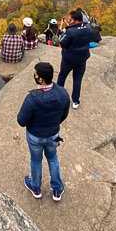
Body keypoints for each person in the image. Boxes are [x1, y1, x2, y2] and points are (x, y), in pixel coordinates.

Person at [18, 62, 70, 202]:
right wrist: (56, 123)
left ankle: (35, 187)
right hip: (53, 134)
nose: (34, 75)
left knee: (36, 160)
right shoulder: (62, 93)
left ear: (40, 79)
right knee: (52, 158)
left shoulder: (32, 99)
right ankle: (57, 189)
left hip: (35, 136)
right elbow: (64, 114)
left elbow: (21, 121)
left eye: (35, 73)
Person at [57, 10, 94, 109]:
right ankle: (75, 101)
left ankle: (59, 97)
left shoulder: (70, 31)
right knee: (77, 79)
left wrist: (63, 33)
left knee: (62, 76)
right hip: (82, 58)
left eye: (70, 19)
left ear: (76, 20)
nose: (69, 20)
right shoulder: (89, 28)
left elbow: (62, 42)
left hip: (69, 58)